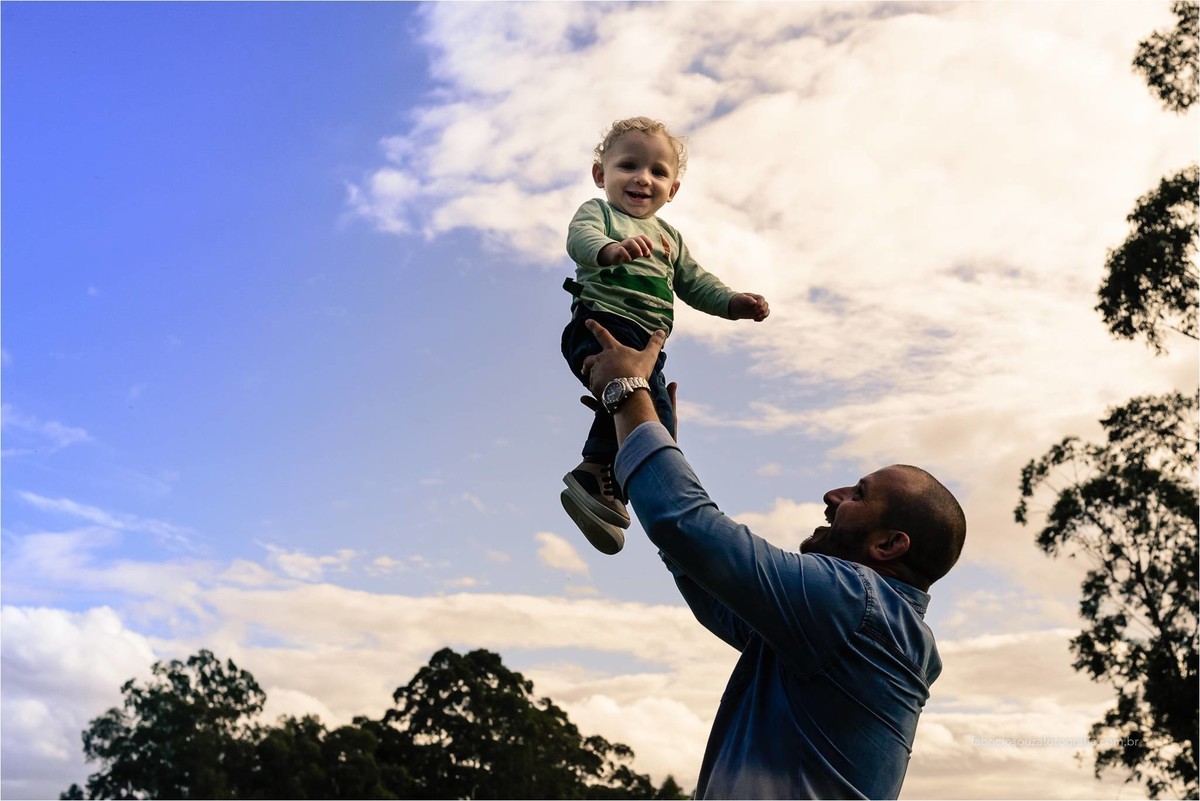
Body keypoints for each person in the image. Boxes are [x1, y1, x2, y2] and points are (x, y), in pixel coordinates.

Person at [578, 319, 967, 800]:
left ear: (889, 546)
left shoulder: (856, 608)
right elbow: (709, 572)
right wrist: (646, 436)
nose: (833, 495)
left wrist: (627, 389)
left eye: (859, 494)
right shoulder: (846, 632)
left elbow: (689, 527)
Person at [560, 116, 770, 556]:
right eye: (628, 166)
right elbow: (580, 239)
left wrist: (733, 303)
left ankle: (605, 486)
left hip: (647, 344)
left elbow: (696, 284)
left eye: (658, 172)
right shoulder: (599, 213)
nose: (642, 178)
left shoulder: (670, 239)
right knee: (630, 397)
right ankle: (595, 474)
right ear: (601, 175)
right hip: (602, 323)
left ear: (672, 190)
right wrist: (609, 251)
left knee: (660, 423)